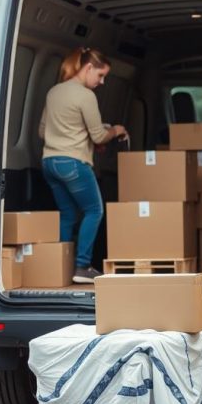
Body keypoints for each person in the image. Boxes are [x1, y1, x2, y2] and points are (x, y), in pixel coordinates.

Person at [38, 47, 127, 284]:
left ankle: (60, 268)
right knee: (94, 211)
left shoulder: (54, 92)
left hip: (49, 162)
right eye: (100, 75)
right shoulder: (85, 96)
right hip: (74, 164)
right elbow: (99, 136)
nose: (102, 81)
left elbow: (41, 130)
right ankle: (82, 265)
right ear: (88, 68)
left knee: (67, 214)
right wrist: (116, 130)